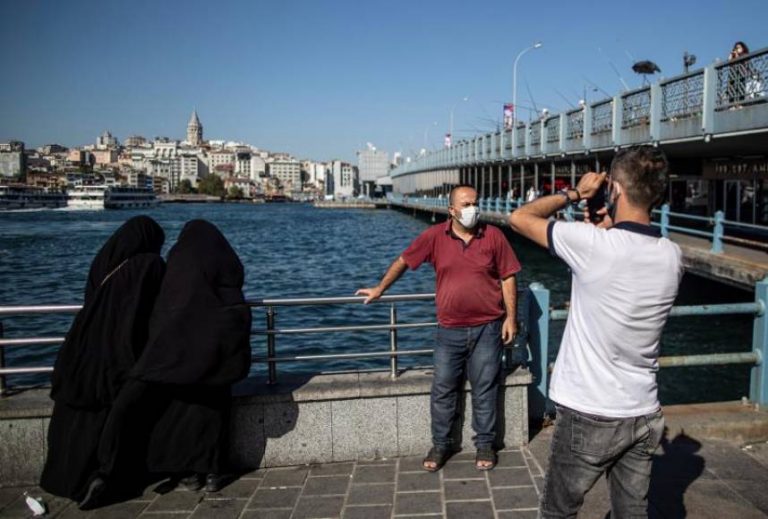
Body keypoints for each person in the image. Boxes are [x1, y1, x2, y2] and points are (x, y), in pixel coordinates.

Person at [508, 146, 683, 518]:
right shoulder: (672, 255)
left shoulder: (592, 246)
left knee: (559, 511)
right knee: (632, 512)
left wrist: (575, 194)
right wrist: (608, 228)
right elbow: (625, 256)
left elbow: (520, 218)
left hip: (590, 410)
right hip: (643, 409)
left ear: (614, 190)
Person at [357, 185, 521, 471]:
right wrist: (380, 288)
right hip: (449, 330)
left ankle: (485, 444)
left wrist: (511, 317)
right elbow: (404, 261)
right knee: (443, 389)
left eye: (475, 202)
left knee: (485, 389)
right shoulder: (434, 237)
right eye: (467, 204)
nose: (473, 208)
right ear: (452, 210)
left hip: (487, 328)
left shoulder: (493, 236)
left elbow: (508, 277)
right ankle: (441, 445)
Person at [40, 216, 166, 506]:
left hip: (80, 350)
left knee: (73, 420)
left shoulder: (105, 261)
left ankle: (63, 478)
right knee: (107, 420)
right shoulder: (148, 266)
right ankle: (101, 478)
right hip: (116, 356)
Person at [127, 219, 252, 492]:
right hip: (218, 362)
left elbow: (164, 312)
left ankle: (188, 472)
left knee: (181, 415)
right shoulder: (224, 268)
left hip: (181, 361)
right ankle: (214, 472)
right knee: (215, 415)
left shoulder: (179, 263)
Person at [728, 41, 751, 105]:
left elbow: (744, 64)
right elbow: (729, 63)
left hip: (741, 74)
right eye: (736, 48)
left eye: (738, 47)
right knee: (731, 90)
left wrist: (737, 55)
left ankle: (741, 104)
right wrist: (731, 55)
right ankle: (732, 105)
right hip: (733, 75)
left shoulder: (745, 55)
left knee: (741, 89)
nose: (737, 49)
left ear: (743, 48)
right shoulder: (734, 56)